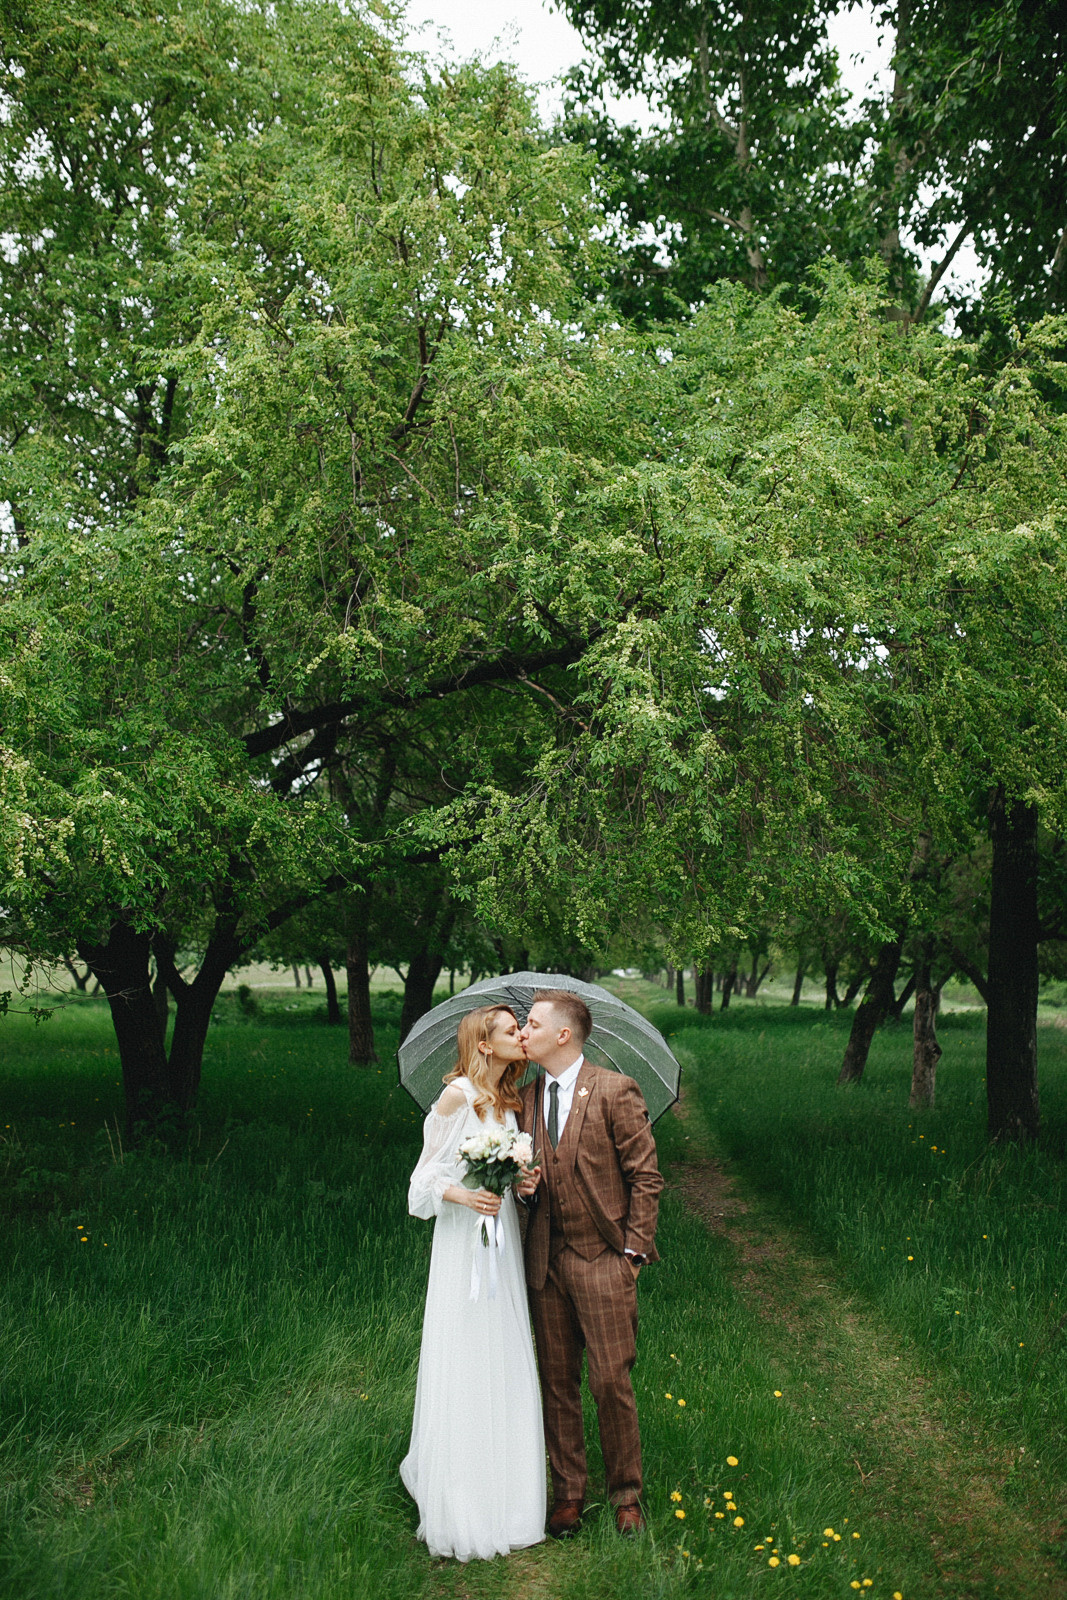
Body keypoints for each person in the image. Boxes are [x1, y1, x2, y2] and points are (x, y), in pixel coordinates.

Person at [401, 1005, 546, 1562]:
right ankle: (461, 1495)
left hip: (501, 1236)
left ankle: (508, 1495)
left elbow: (505, 1173)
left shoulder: (507, 1102)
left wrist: (518, 1179)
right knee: (467, 1351)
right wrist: (467, 1194)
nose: (521, 1037)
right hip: (465, 1243)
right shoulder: (457, 1097)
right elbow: (420, 1188)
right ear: (484, 1044)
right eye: (513, 1031)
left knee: (503, 1351)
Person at [519, 988, 663, 1539]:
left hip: (603, 1259)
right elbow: (521, 1180)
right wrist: (525, 1191)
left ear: (563, 1034)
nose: (522, 1032)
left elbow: (645, 1177)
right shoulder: (524, 1100)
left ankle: (626, 1495)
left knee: (609, 1381)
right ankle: (568, 1494)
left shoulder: (613, 1090)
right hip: (545, 1265)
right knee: (557, 1383)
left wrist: (631, 1252)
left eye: (532, 1024)